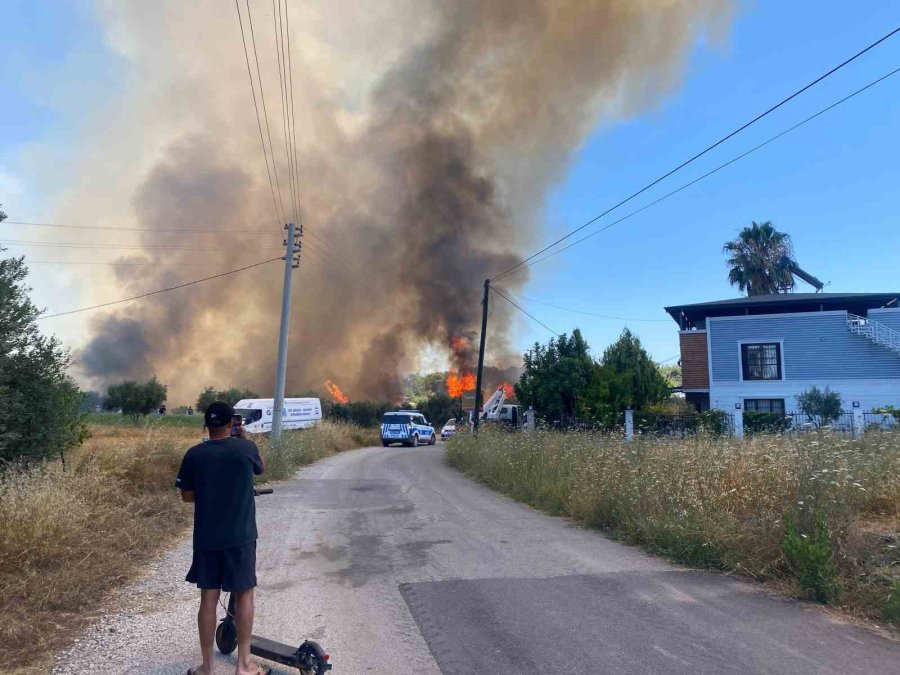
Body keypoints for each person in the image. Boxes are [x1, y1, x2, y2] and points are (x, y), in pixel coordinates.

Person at [176, 401, 267, 675]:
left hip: (207, 537)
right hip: (240, 536)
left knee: (208, 598)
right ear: (232, 423)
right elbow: (260, 468)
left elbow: (187, 496)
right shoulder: (246, 449)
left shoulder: (194, 454)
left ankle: (207, 668)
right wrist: (244, 437)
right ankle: (244, 665)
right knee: (245, 595)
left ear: (206, 425)